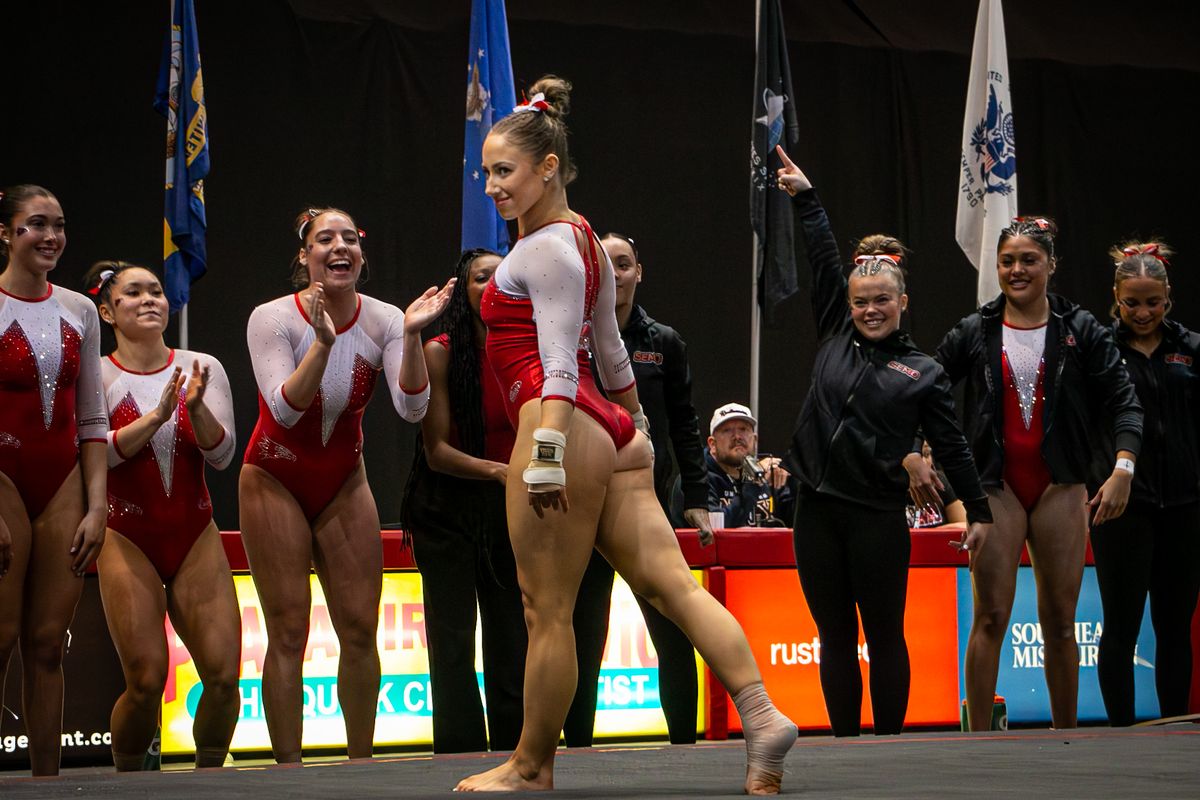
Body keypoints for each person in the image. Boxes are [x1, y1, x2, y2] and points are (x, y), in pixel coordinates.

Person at [456, 76, 796, 794]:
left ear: (548, 167)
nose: (491, 187)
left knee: (546, 610)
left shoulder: (542, 250)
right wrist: (634, 427)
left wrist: (547, 455)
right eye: (486, 172)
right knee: (674, 587)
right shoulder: (583, 238)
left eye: (503, 171)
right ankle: (762, 715)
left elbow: (558, 362)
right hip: (606, 425)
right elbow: (610, 351)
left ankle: (529, 766)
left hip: (558, 424)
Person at [775, 148, 992, 737]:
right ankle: (845, 746)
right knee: (834, 636)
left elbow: (953, 446)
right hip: (817, 512)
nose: (870, 310)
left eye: (882, 300)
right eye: (861, 301)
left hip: (876, 517)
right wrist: (807, 199)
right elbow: (823, 259)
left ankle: (889, 748)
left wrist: (978, 512)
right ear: (847, 304)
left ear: (902, 303)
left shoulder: (924, 371)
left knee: (885, 633)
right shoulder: (834, 332)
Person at [239, 206, 453, 762]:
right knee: (288, 632)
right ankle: (289, 771)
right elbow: (284, 411)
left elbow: (412, 409)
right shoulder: (271, 318)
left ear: (361, 253)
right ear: (305, 256)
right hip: (274, 477)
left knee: (360, 629)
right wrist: (323, 342)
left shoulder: (385, 318)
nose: (340, 247)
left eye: (350, 239)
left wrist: (411, 336)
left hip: (343, 479)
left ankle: (361, 766)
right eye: (325, 239)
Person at [925, 216, 1142, 732]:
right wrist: (916, 451)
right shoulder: (976, 329)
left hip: (1060, 486)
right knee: (990, 617)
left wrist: (1123, 467)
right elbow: (923, 387)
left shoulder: (1080, 328)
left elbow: (1125, 401)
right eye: (1007, 261)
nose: (1017, 270)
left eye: (1029, 260)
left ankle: (1065, 738)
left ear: (1050, 265)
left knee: (1061, 624)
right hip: (996, 486)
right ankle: (978, 741)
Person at [85, 260, 241, 770]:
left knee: (223, 678)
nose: (149, 299)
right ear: (108, 312)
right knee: (146, 681)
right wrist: (156, 417)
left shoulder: (202, 366)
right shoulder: (97, 374)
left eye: (155, 290)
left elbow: (223, 456)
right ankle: (129, 781)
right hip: (126, 533)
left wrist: (196, 409)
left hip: (193, 532)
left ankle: (208, 778)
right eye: (133, 293)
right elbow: (96, 456)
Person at [564, 233, 712, 747]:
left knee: (673, 632)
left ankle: (685, 748)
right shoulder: (567, 337)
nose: (616, 274)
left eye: (623, 264)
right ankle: (576, 752)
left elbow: (685, 425)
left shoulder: (664, 342)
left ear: (638, 272)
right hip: (583, 508)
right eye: (605, 265)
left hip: (646, 507)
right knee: (583, 638)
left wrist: (697, 498)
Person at [0, 185, 108, 776]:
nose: (51, 236)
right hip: (3, 482)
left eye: (59, 225)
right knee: (0, 638)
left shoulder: (80, 310)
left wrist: (98, 506)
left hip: (62, 484)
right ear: (4, 233)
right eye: (36, 224)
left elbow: (92, 417)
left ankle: (47, 783)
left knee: (46, 644)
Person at [400, 248, 526, 753]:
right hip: (446, 511)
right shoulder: (441, 351)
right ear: (464, 290)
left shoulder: (528, 350)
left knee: (511, 643)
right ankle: (457, 760)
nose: (492, 284)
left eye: (501, 276)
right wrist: (500, 471)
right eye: (480, 277)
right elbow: (436, 452)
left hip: (507, 513)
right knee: (452, 648)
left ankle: (518, 760)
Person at [1089, 241, 1199, 726]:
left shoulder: (1190, 348)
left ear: (1168, 295)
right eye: (1132, 302)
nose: (1142, 312)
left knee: (1175, 626)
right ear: (1116, 296)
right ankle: (1121, 732)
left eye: (1153, 302)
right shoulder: (1099, 350)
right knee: (1121, 625)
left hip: (1186, 505)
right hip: (1121, 508)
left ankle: (1175, 726)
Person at [705, 403, 794, 528]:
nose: (737, 437)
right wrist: (751, 481)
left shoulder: (768, 474)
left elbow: (800, 523)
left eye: (743, 429)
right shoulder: (699, 480)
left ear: (755, 440)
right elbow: (714, 530)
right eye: (727, 430)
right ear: (712, 444)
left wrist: (792, 476)